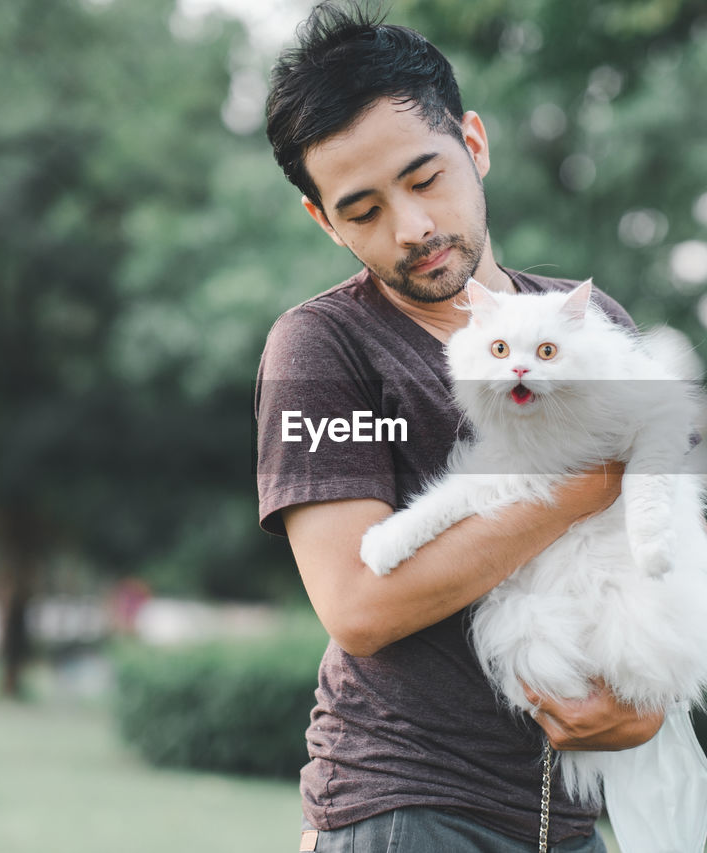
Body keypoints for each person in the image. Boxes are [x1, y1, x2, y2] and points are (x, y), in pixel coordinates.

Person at [256, 3, 664, 850]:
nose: (411, 229)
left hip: (569, 814)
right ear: (323, 221)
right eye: (361, 209)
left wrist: (647, 702)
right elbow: (359, 605)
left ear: (473, 143)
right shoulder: (323, 347)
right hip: (408, 803)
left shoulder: (595, 324)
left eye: (424, 177)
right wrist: (584, 485)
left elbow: (654, 548)